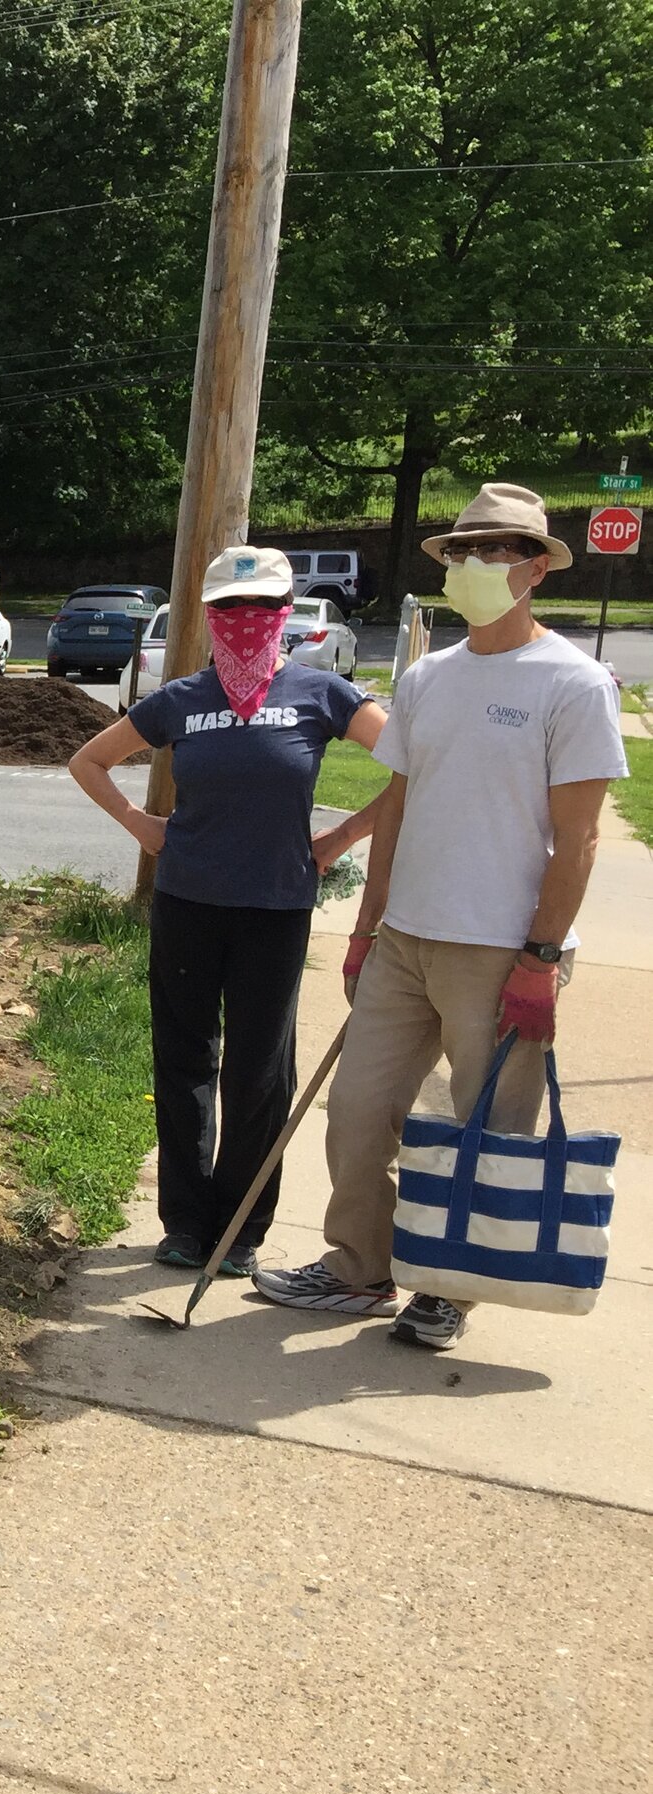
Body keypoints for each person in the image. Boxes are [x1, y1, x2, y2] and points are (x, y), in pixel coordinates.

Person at [251, 485, 629, 1349]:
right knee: (357, 1110)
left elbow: (578, 838)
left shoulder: (571, 683)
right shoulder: (426, 677)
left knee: (486, 1129)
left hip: (500, 950)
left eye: (495, 552)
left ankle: (452, 1287)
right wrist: (364, 927)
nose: (474, 566)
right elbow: (399, 802)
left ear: (535, 569)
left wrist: (538, 958)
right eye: (463, 551)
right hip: (405, 940)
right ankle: (359, 1269)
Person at [67, 545, 386, 1277]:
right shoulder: (180, 698)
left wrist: (339, 837)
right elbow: (89, 761)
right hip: (187, 904)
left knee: (258, 1073)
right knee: (183, 1064)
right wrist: (142, 825)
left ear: (286, 614)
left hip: (275, 909)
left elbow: (413, 764)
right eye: (231, 609)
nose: (247, 621)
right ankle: (184, 1221)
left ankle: (240, 1226)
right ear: (210, 617)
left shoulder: (323, 694)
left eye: (263, 607)